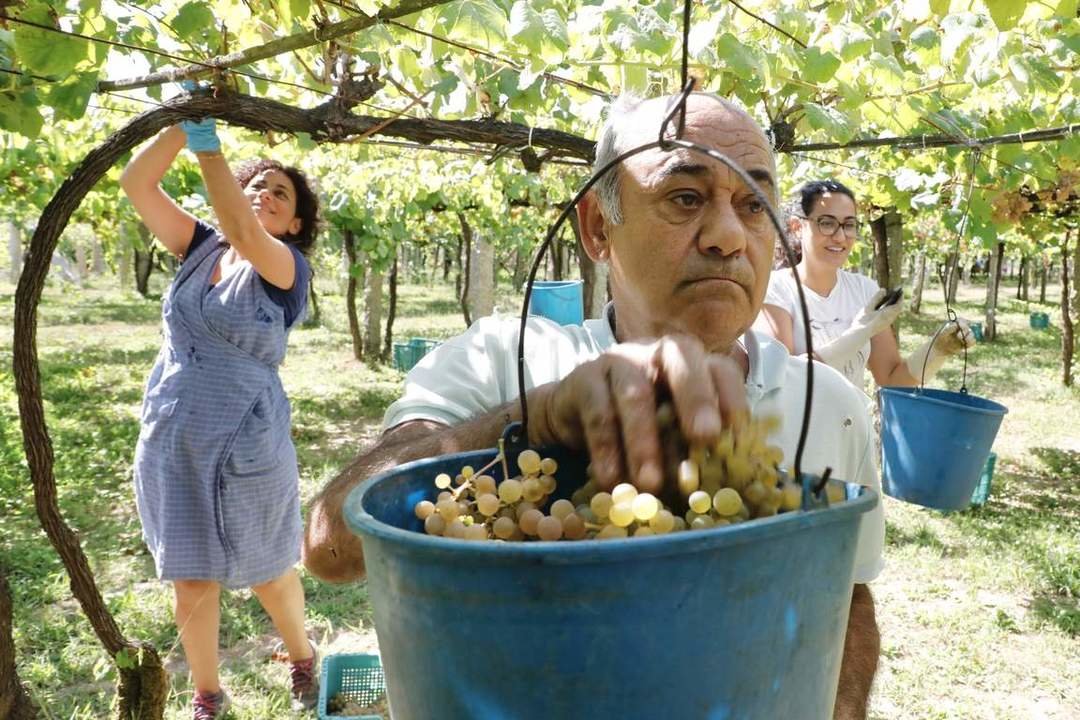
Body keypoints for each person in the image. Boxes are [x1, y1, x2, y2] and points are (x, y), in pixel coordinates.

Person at [305, 94, 883, 719]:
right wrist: (540, 420)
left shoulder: (832, 405)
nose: (726, 237)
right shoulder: (502, 362)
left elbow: (846, 600)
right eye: (684, 198)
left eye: (753, 205)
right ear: (597, 228)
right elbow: (331, 548)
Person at [121, 115, 320, 718]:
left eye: (278, 192)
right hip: (175, 430)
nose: (263, 191)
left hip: (245, 438)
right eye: (254, 182)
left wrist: (210, 152)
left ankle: (302, 654)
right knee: (190, 573)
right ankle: (207, 693)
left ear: (295, 223)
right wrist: (182, 128)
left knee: (268, 567)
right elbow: (136, 183)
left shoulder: (285, 268)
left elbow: (238, 221)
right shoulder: (202, 244)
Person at [755, 179, 974, 392]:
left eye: (849, 225)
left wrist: (938, 350)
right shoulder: (774, 290)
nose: (840, 237)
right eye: (827, 223)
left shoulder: (864, 291)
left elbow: (890, 378)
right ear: (797, 227)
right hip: (799, 430)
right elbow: (784, 380)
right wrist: (860, 332)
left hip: (854, 429)